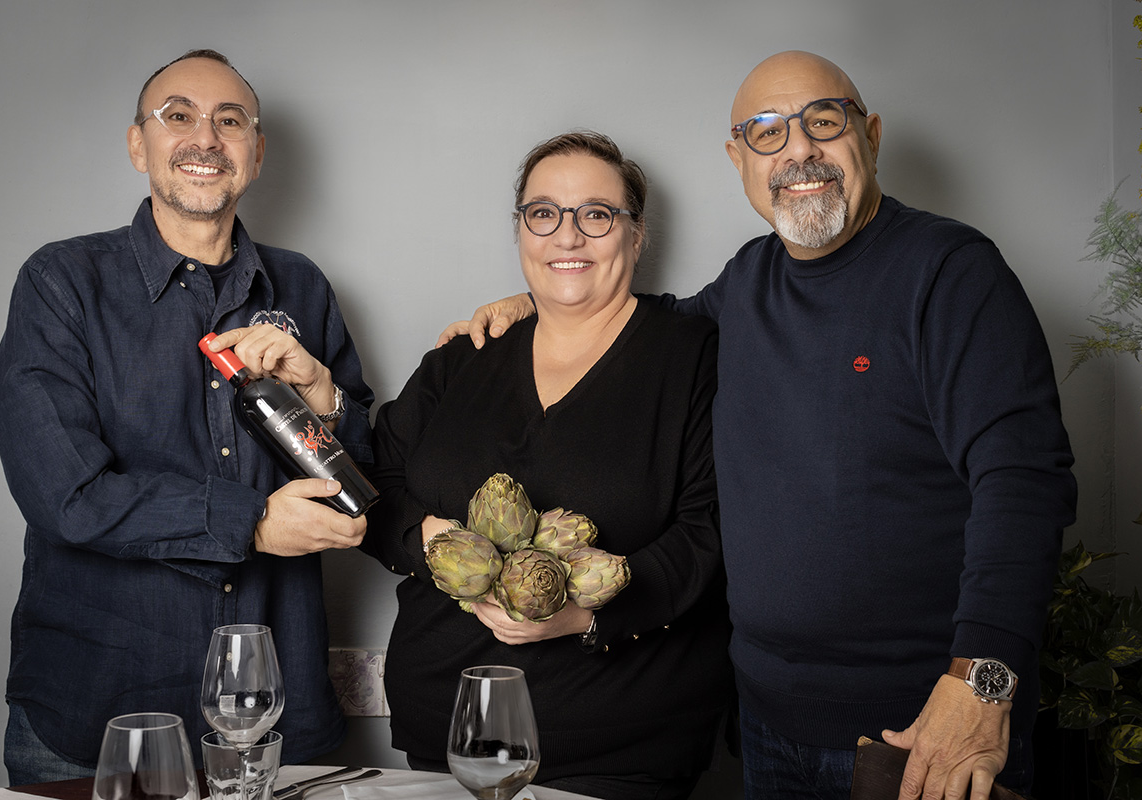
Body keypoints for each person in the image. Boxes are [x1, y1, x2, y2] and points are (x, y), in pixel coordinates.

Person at [440, 52, 1078, 800]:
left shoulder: (950, 273)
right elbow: (641, 331)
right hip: (768, 730)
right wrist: (536, 304)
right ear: (738, 159)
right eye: (767, 133)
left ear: (870, 134)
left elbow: (1025, 483)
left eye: (823, 121)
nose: (798, 149)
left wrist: (984, 686)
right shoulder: (747, 283)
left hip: (921, 733)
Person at [0, 49, 373, 783]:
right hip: (94, 710)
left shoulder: (303, 287)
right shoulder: (61, 282)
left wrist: (324, 395)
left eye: (230, 121)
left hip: (271, 715)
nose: (205, 138)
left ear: (255, 155)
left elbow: (361, 485)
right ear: (139, 145)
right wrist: (251, 520)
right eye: (178, 116)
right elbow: (65, 494)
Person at [361, 131, 733, 800]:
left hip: (620, 740)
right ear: (521, 230)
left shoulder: (693, 357)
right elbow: (372, 486)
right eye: (543, 214)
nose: (568, 237)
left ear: (636, 234)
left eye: (596, 214)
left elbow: (710, 532)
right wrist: (433, 543)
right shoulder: (461, 358)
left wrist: (586, 617)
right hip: (445, 731)